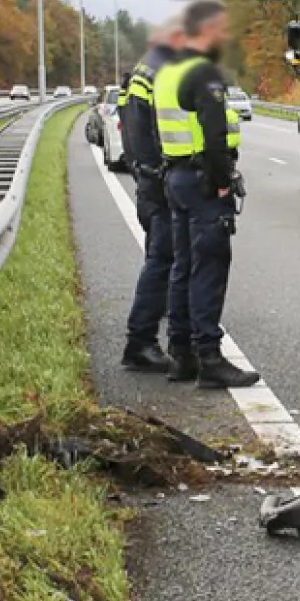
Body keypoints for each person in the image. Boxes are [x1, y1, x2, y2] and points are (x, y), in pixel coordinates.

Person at [152, 0, 261, 389]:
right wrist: (219, 180)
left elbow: (154, 130)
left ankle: (180, 354)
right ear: (206, 30)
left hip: (176, 177)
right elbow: (215, 134)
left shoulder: (166, 73)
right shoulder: (204, 73)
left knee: (182, 267)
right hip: (202, 181)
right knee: (209, 269)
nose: (225, 36)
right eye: (221, 29)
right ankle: (210, 358)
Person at [118, 19, 184, 373]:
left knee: (165, 260)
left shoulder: (141, 71)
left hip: (148, 179)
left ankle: (166, 334)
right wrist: (162, 178)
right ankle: (140, 342)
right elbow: (155, 132)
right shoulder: (159, 73)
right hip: (158, 183)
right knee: (163, 260)